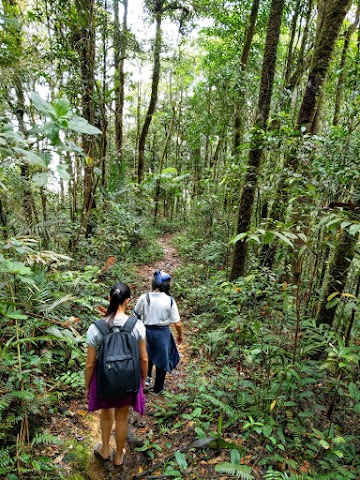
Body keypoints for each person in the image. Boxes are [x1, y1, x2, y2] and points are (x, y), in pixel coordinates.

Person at [85, 282, 148, 467]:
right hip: (128, 380)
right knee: (122, 416)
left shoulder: (96, 327)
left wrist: (87, 386)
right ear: (128, 301)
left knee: (106, 412)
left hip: (105, 380)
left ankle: (104, 450)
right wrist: (142, 380)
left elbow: (90, 363)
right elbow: (144, 358)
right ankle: (119, 456)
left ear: (109, 298)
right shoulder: (136, 326)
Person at [134, 270, 183, 395]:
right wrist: (180, 336)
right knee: (162, 358)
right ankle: (158, 387)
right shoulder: (169, 301)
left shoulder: (143, 298)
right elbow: (177, 323)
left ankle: (145, 380)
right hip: (162, 333)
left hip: (145, 331)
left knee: (146, 356)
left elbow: (136, 314)